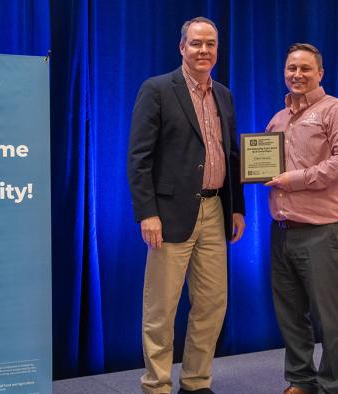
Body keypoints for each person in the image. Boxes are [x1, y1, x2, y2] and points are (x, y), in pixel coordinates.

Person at [126, 16, 246, 394]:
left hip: (215, 211)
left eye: (210, 43)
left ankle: (196, 382)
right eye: (196, 43)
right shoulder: (158, 89)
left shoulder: (223, 94)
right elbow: (138, 158)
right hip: (169, 214)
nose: (204, 50)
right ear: (182, 47)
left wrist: (237, 207)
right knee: (161, 309)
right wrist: (147, 213)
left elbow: (232, 154)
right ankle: (157, 384)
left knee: (212, 305)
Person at [264, 43, 338, 394]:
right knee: (290, 315)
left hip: (322, 232)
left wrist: (296, 180)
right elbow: (264, 167)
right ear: (284, 71)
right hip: (282, 233)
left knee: (330, 318)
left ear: (320, 73)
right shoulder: (277, 119)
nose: (298, 74)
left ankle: (334, 387)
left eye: (306, 68)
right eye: (292, 68)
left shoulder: (337, 112)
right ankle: (302, 381)